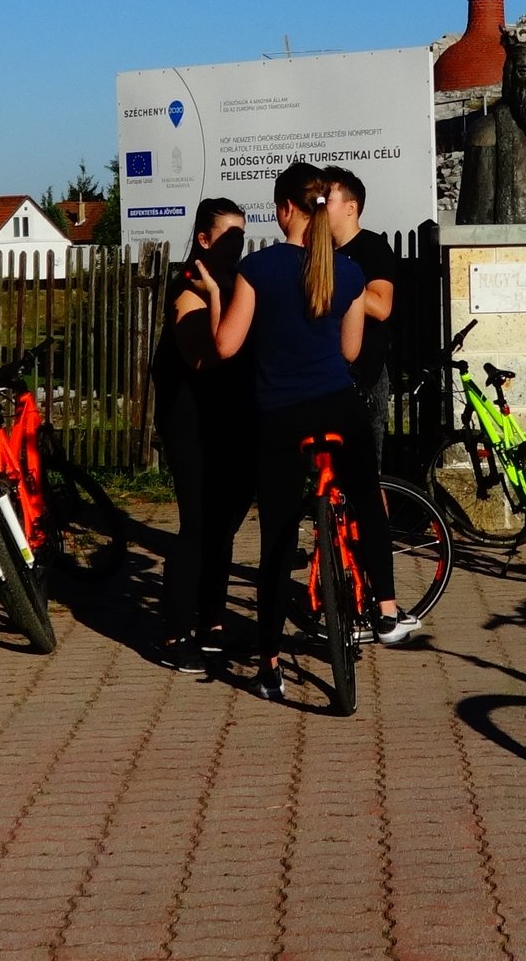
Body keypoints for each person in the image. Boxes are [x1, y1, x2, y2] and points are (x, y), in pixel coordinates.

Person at [196, 165, 409, 705]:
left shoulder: (257, 269)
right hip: (338, 406)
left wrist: (215, 296)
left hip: (279, 417)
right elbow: (351, 351)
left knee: (278, 540)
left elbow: (224, 346)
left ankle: (269, 667)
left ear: (284, 209)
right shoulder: (348, 272)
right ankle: (386, 611)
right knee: (366, 499)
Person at [153, 197, 254, 673]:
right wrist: (215, 297)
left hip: (226, 418)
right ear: (204, 239)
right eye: (228, 236)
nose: (237, 244)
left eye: (242, 236)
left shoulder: (236, 282)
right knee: (196, 524)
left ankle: (213, 621)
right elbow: (203, 358)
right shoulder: (189, 288)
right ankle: (175, 633)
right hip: (188, 420)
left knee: (224, 523)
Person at [321, 165, 403, 501]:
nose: (319, 205)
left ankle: (377, 536)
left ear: (350, 207)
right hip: (325, 374)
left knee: (367, 477)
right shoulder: (319, 253)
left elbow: (382, 306)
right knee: (330, 478)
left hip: (364, 377)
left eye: (327, 199)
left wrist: (337, 277)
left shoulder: (372, 248)